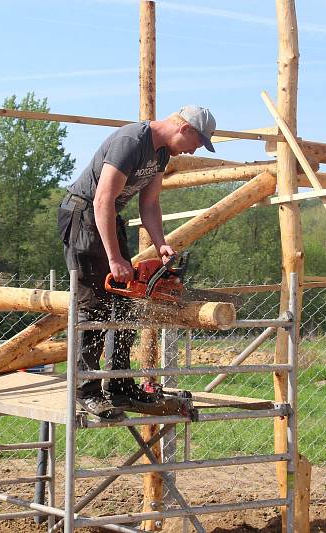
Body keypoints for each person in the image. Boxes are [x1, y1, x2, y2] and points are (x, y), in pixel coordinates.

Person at [57, 105, 216, 419]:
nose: (194, 150)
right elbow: (102, 198)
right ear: (184, 129)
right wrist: (115, 257)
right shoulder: (132, 140)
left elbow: (150, 202)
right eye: (197, 142)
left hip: (107, 217)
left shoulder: (161, 154)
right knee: (94, 304)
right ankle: (85, 390)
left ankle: (119, 385)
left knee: (124, 299)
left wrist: (162, 245)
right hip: (85, 214)